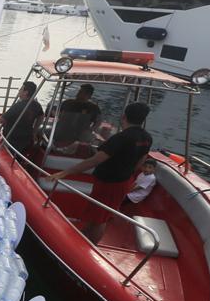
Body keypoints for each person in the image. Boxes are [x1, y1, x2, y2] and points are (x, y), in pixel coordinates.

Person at [48, 102, 153, 243]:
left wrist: (65, 172)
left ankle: (91, 246)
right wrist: (127, 173)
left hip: (108, 183)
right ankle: (84, 235)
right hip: (123, 182)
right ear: (143, 119)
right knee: (100, 214)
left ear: (124, 117)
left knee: (100, 218)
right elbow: (141, 161)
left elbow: (95, 160)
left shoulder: (120, 138)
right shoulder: (147, 138)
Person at [0, 80, 44, 157]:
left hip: (13, 139)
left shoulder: (18, 106)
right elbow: (41, 116)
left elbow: (0, 120)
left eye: (21, 89)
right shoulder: (37, 105)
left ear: (26, 92)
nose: (19, 90)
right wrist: (34, 131)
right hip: (26, 138)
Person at [51, 83, 101, 153]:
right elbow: (58, 114)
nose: (77, 94)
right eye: (79, 91)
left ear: (88, 96)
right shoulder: (67, 103)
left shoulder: (93, 108)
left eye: (81, 92)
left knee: (91, 139)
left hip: (80, 134)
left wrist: (90, 129)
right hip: (62, 131)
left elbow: (98, 121)